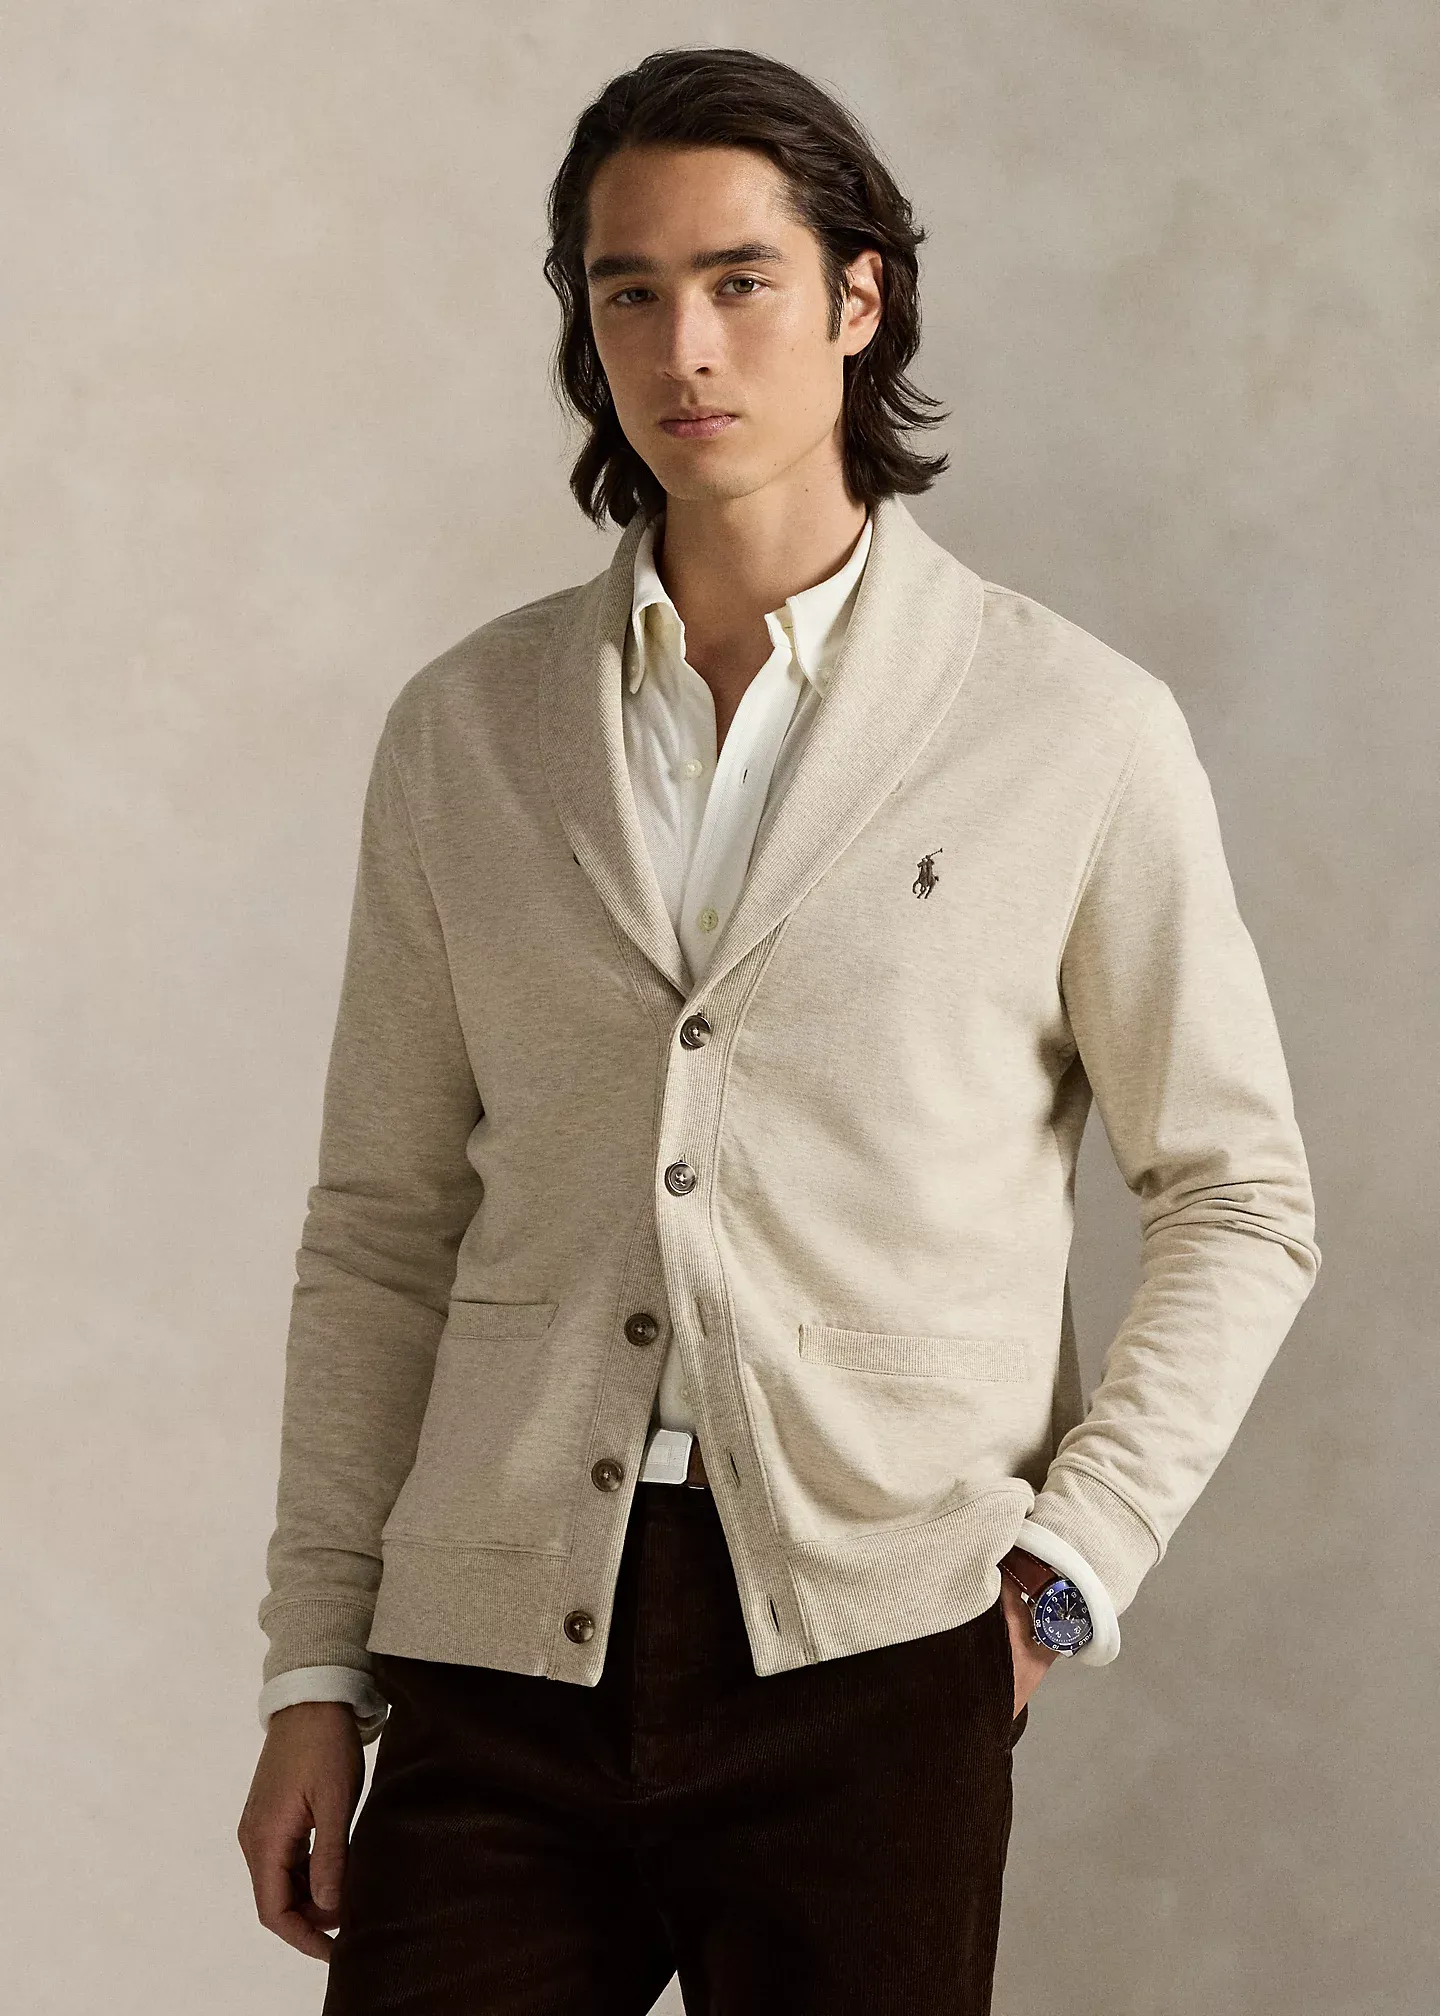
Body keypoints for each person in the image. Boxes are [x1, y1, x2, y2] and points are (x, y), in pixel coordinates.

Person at [237, 45, 1319, 2016]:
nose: (683, 346)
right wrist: (318, 1666)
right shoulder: (467, 731)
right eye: (628, 289)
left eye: (740, 280)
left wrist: (1063, 1573)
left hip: (878, 1657)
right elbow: (382, 1225)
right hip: (496, 1646)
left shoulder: (1070, 731)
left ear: (857, 297)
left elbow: (1240, 1195)